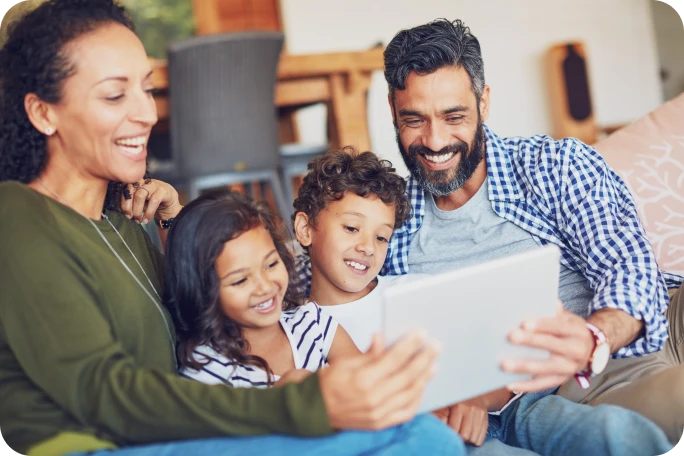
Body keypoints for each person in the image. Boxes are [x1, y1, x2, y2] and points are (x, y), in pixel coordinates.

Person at [0, 2, 467, 455]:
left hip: (167, 433)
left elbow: (196, 303)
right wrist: (298, 402)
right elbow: (103, 392)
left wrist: (179, 222)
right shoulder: (17, 217)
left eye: (145, 89)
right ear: (44, 112)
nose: (147, 113)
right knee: (419, 440)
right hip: (87, 445)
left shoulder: (123, 218)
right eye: (114, 94)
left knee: (419, 433)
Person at [374, 18, 684, 444]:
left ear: (483, 103)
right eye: (414, 119)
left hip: (643, 321)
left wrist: (594, 336)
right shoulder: (385, 222)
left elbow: (626, 262)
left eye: (454, 116)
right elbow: (316, 292)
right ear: (392, 110)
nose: (435, 140)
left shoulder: (553, 166)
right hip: (582, 386)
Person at [292, 149, 672, 455]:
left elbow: (491, 361)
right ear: (305, 229)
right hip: (436, 435)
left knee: (612, 430)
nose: (366, 247)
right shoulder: (296, 332)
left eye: (381, 237)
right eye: (351, 228)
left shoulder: (414, 288)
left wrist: (472, 397)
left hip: (513, 407)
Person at [164, 189, 360, 387]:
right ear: (202, 291)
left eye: (271, 265)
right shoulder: (207, 370)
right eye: (240, 280)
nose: (265, 287)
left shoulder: (314, 324)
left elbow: (366, 386)